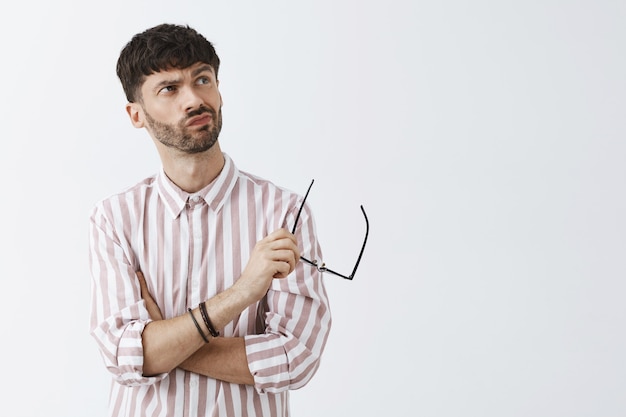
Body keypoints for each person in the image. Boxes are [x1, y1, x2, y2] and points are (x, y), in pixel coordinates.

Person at [88, 23, 332, 417]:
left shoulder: (284, 213)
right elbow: (123, 357)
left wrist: (164, 341)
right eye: (169, 88)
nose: (194, 99)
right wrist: (241, 294)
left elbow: (295, 358)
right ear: (136, 114)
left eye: (203, 80)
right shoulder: (115, 219)